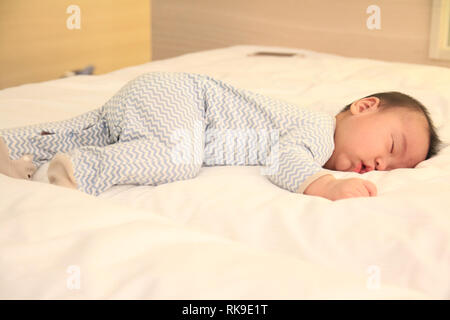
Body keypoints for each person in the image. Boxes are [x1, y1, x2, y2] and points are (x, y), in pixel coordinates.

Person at [0, 72, 442, 200]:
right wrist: (325, 184)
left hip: (159, 98)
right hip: (184, 97)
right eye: (390, 147)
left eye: (395, 166)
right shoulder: (316, 130)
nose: (383, 165)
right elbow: (286, 160)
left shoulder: (309, 129)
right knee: (176, 158)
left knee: (86, 129)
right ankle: (74, 172)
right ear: (365, 107)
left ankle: (13, 148)